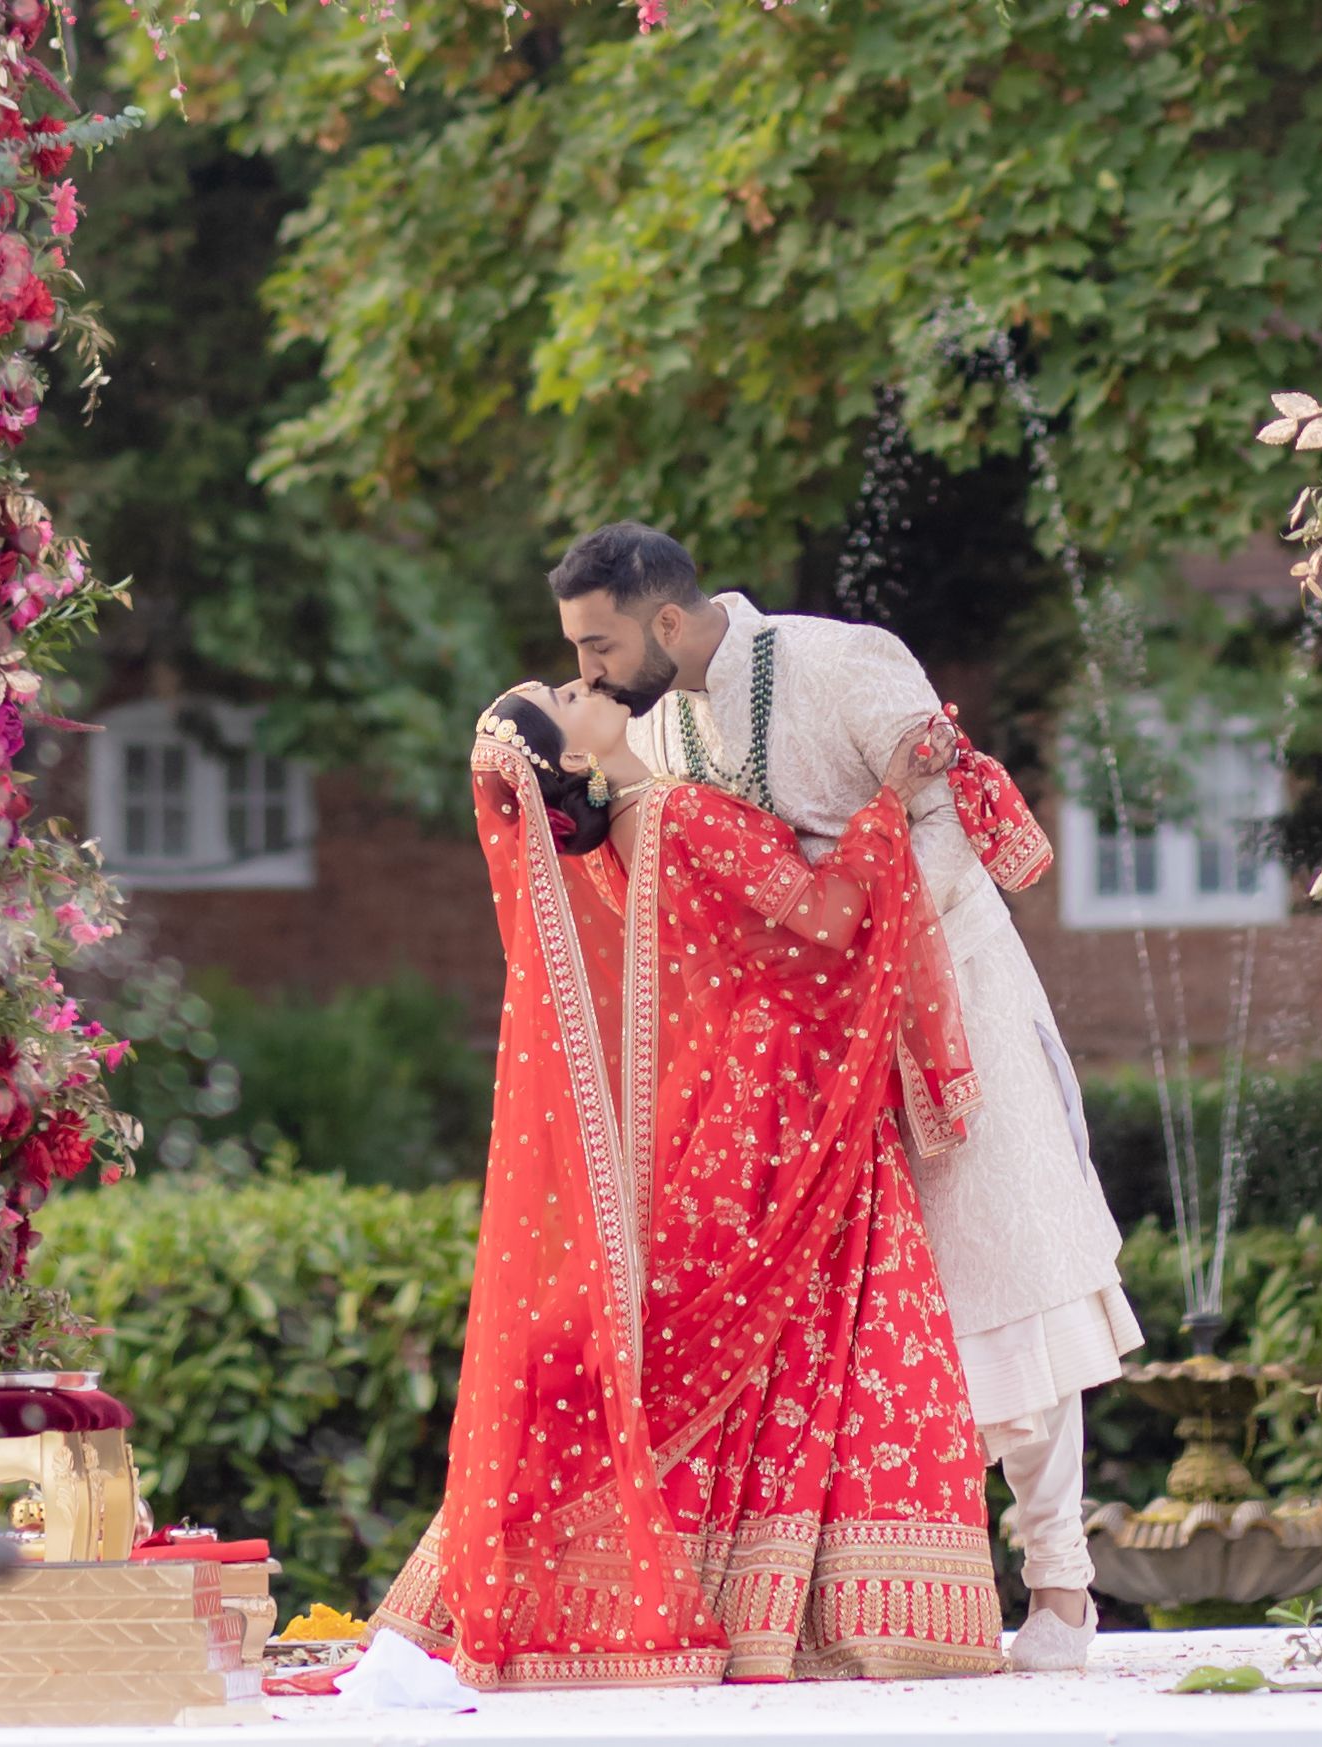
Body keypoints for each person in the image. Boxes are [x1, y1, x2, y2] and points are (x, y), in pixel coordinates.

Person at [552, 521, 1141, 1671]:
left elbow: (947, 817)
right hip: (816, 1048)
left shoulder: (840, 661)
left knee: (1005, 1276)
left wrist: (866, 950)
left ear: (664, 622)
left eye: (598, 644)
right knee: (869, 1319)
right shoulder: (665, 723)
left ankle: (1061, 1591)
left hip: (948, 995)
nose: (587, 673)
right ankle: (879, 1598)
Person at [370, 681, 1004, 1688]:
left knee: (729, 1351)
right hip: (786, 1103)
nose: (580, 682)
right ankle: (826, 1609)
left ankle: (678, 1594)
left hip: (719, 1109)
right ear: (569, 760)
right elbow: (829, 916)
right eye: (560, 693)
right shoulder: (677, 811)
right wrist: (887, 799)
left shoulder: (623, 844)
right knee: (825, 1339)